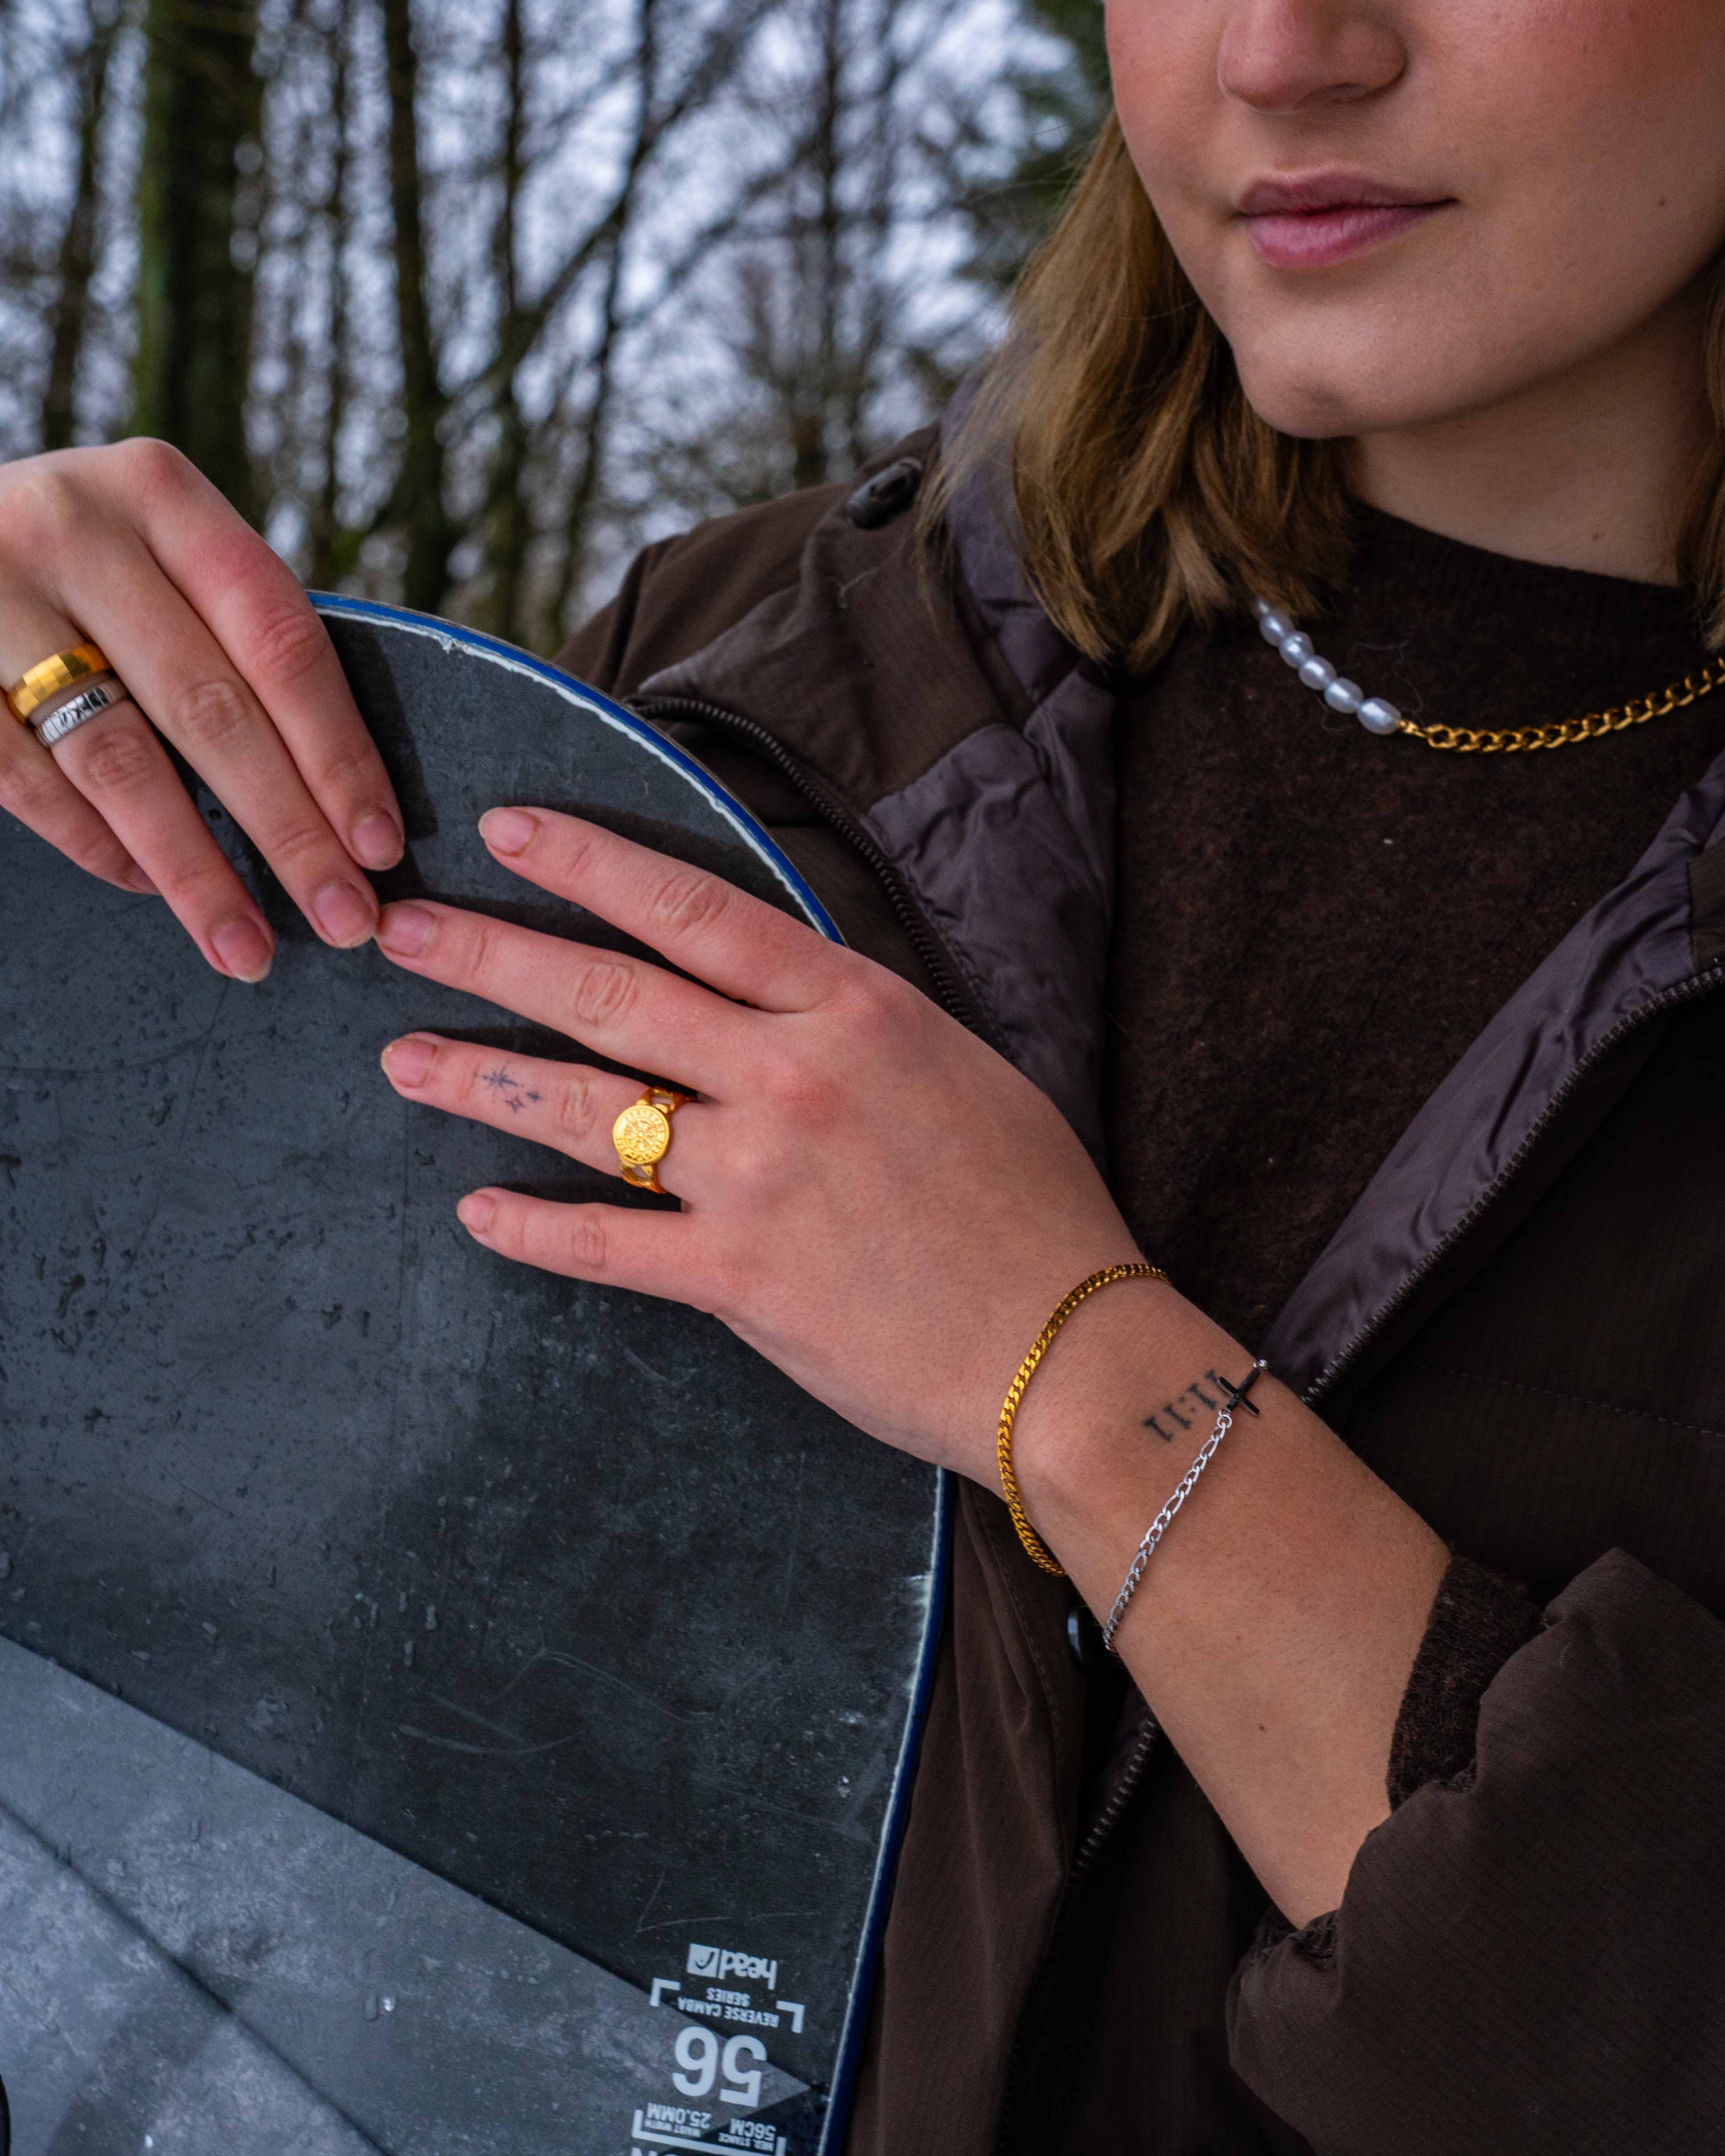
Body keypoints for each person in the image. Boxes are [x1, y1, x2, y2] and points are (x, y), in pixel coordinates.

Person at [4, 1, 1725, 2148]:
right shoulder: (742, 694)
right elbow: (310, 1735)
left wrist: (1063, 1365)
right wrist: (58, 907)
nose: (1283, 51)